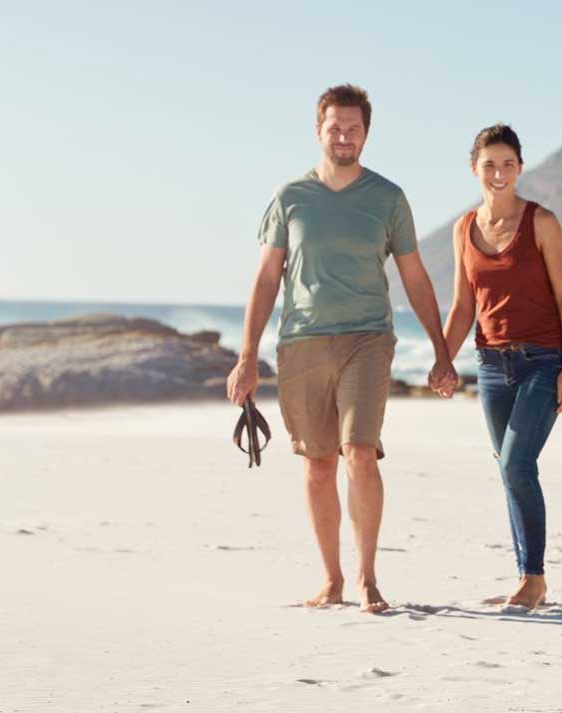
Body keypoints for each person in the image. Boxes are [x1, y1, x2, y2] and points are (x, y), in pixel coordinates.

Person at [225, 84, 451, 614]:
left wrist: (441, 350)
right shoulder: (290, 198)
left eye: (354, 128)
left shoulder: (388, 198)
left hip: (367, 339)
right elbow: (265, 280)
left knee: (360, 451)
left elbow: (415, 278)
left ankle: (370, 578)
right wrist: (245, 357)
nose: (344, 136)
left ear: (366, 133)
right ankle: (332, 579)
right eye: (335, 127)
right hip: (301, 342)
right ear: (318, 130)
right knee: (319, 463)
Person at [437, 124, 562, 612]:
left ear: (520, 168)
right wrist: (442, 357)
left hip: (542, 360)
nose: (499, 174)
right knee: (509, 469)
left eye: (508, 164)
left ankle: (533, 578)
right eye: (489, 165)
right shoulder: (463, 229)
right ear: (474, 168)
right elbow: (462, 306)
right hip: (490, 365)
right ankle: (527, 576)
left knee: (518, 464)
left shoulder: (541, 222)